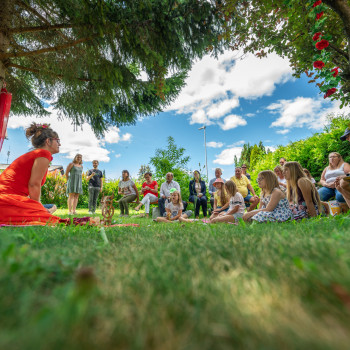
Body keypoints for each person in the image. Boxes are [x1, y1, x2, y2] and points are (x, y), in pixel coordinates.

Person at [0, 122, 62, 225]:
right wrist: (38, 210)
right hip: (6, 201)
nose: (60, 144)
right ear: (48, 141)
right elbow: (34, 184)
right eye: (58, 141)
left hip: (9, 200)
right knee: (47, 218)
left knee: (52, 206)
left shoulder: (36, 154)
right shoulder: (43, 153)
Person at [335, 128, 350, 207]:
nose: (347, 139)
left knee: (343, 182)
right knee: (341, 185)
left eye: (348, 136)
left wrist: (346, 175)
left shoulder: (344, 164)